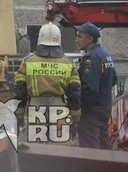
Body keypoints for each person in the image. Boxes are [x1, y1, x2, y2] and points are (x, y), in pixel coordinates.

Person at [14, 22, 81, 141]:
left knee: (31, 149)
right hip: (59, 110)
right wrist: (75, 118)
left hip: (35, 109)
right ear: (59, 40)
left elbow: (20, 92)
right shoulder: (68, 64)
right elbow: (74, 94)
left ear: (39, 39)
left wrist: (19, 115)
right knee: (60, 151)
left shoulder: (27, 62)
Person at [75, 22, 117, 150]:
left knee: (90, 151)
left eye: (80, 36)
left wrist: (78, 107)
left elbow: (90, 90)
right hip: (104, 110)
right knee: (104, 148)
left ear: (89, 39)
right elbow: (113, 79)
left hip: (91, 113)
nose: (76, 40)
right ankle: (108, 170)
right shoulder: (105, 54)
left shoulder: (91, 58)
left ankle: (94, 171)